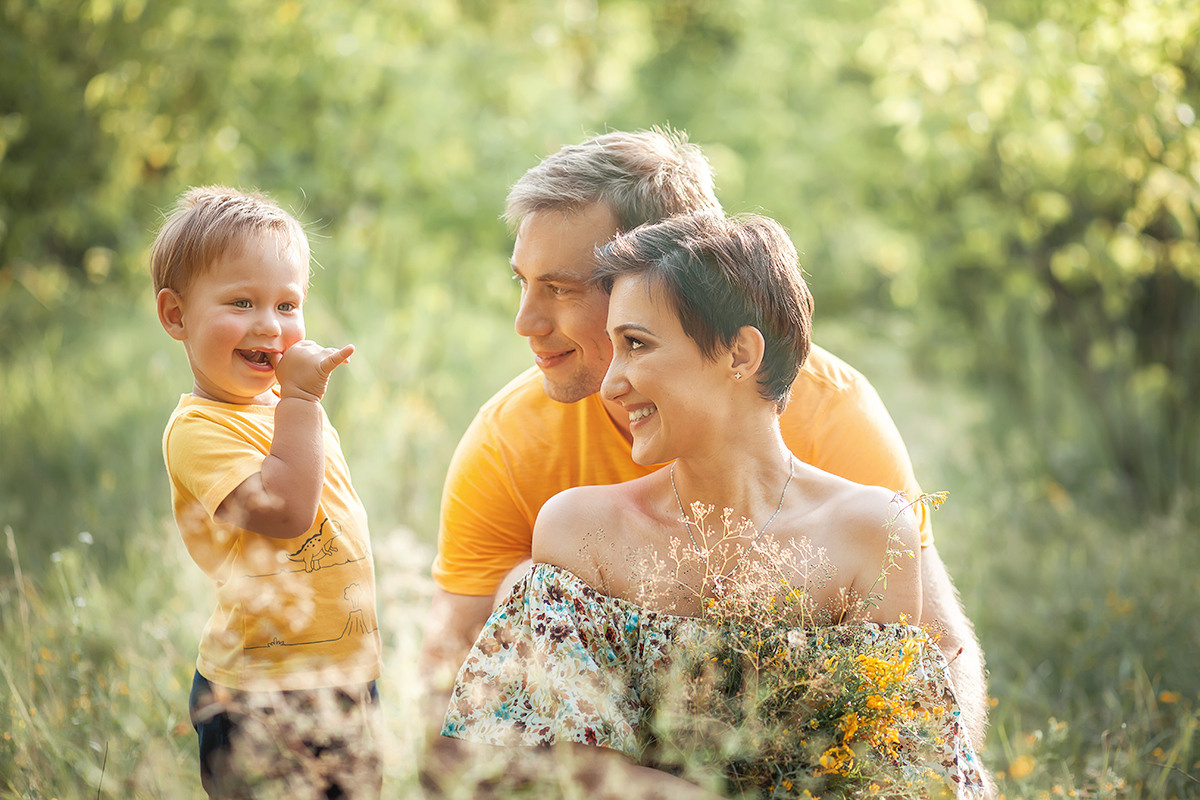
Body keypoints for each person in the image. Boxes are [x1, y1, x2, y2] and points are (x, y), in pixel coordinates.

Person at [420, 128, 989, 754]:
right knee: (526, 588)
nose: (525, 321)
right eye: (521, 283)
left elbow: (934, 661)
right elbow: (450, 703)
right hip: (611, 773)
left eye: (560, 288)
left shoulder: (832, 414)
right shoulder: (510, 440)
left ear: (671, 272)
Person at [152, 186, 382, 799]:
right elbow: (286, 511)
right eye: (242, 302)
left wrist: (296, 405)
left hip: (344, 675)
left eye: (287, 304)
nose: (270, 325)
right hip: (260, 689)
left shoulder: (281, 409)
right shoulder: (199, 430)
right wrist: (303, 402)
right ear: (176, 315)